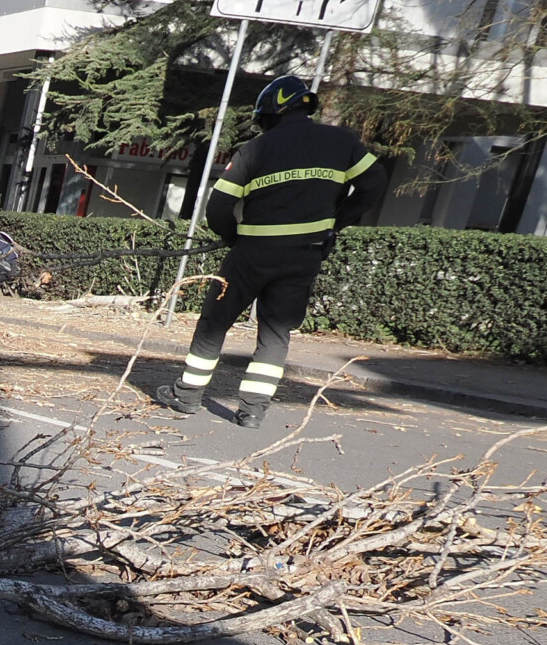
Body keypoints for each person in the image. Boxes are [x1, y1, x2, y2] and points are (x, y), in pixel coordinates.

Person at [153, 74, 384, 429]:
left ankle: (187, 397)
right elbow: (374, 184)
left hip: (252, 253)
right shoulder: (342, 142)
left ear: (271, 114)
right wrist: (335, 224)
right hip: (305, 254)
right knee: (275, 332)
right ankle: (253, 411)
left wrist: (234, 237)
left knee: (215, 322)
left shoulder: (257, 149)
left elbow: (218, 208)